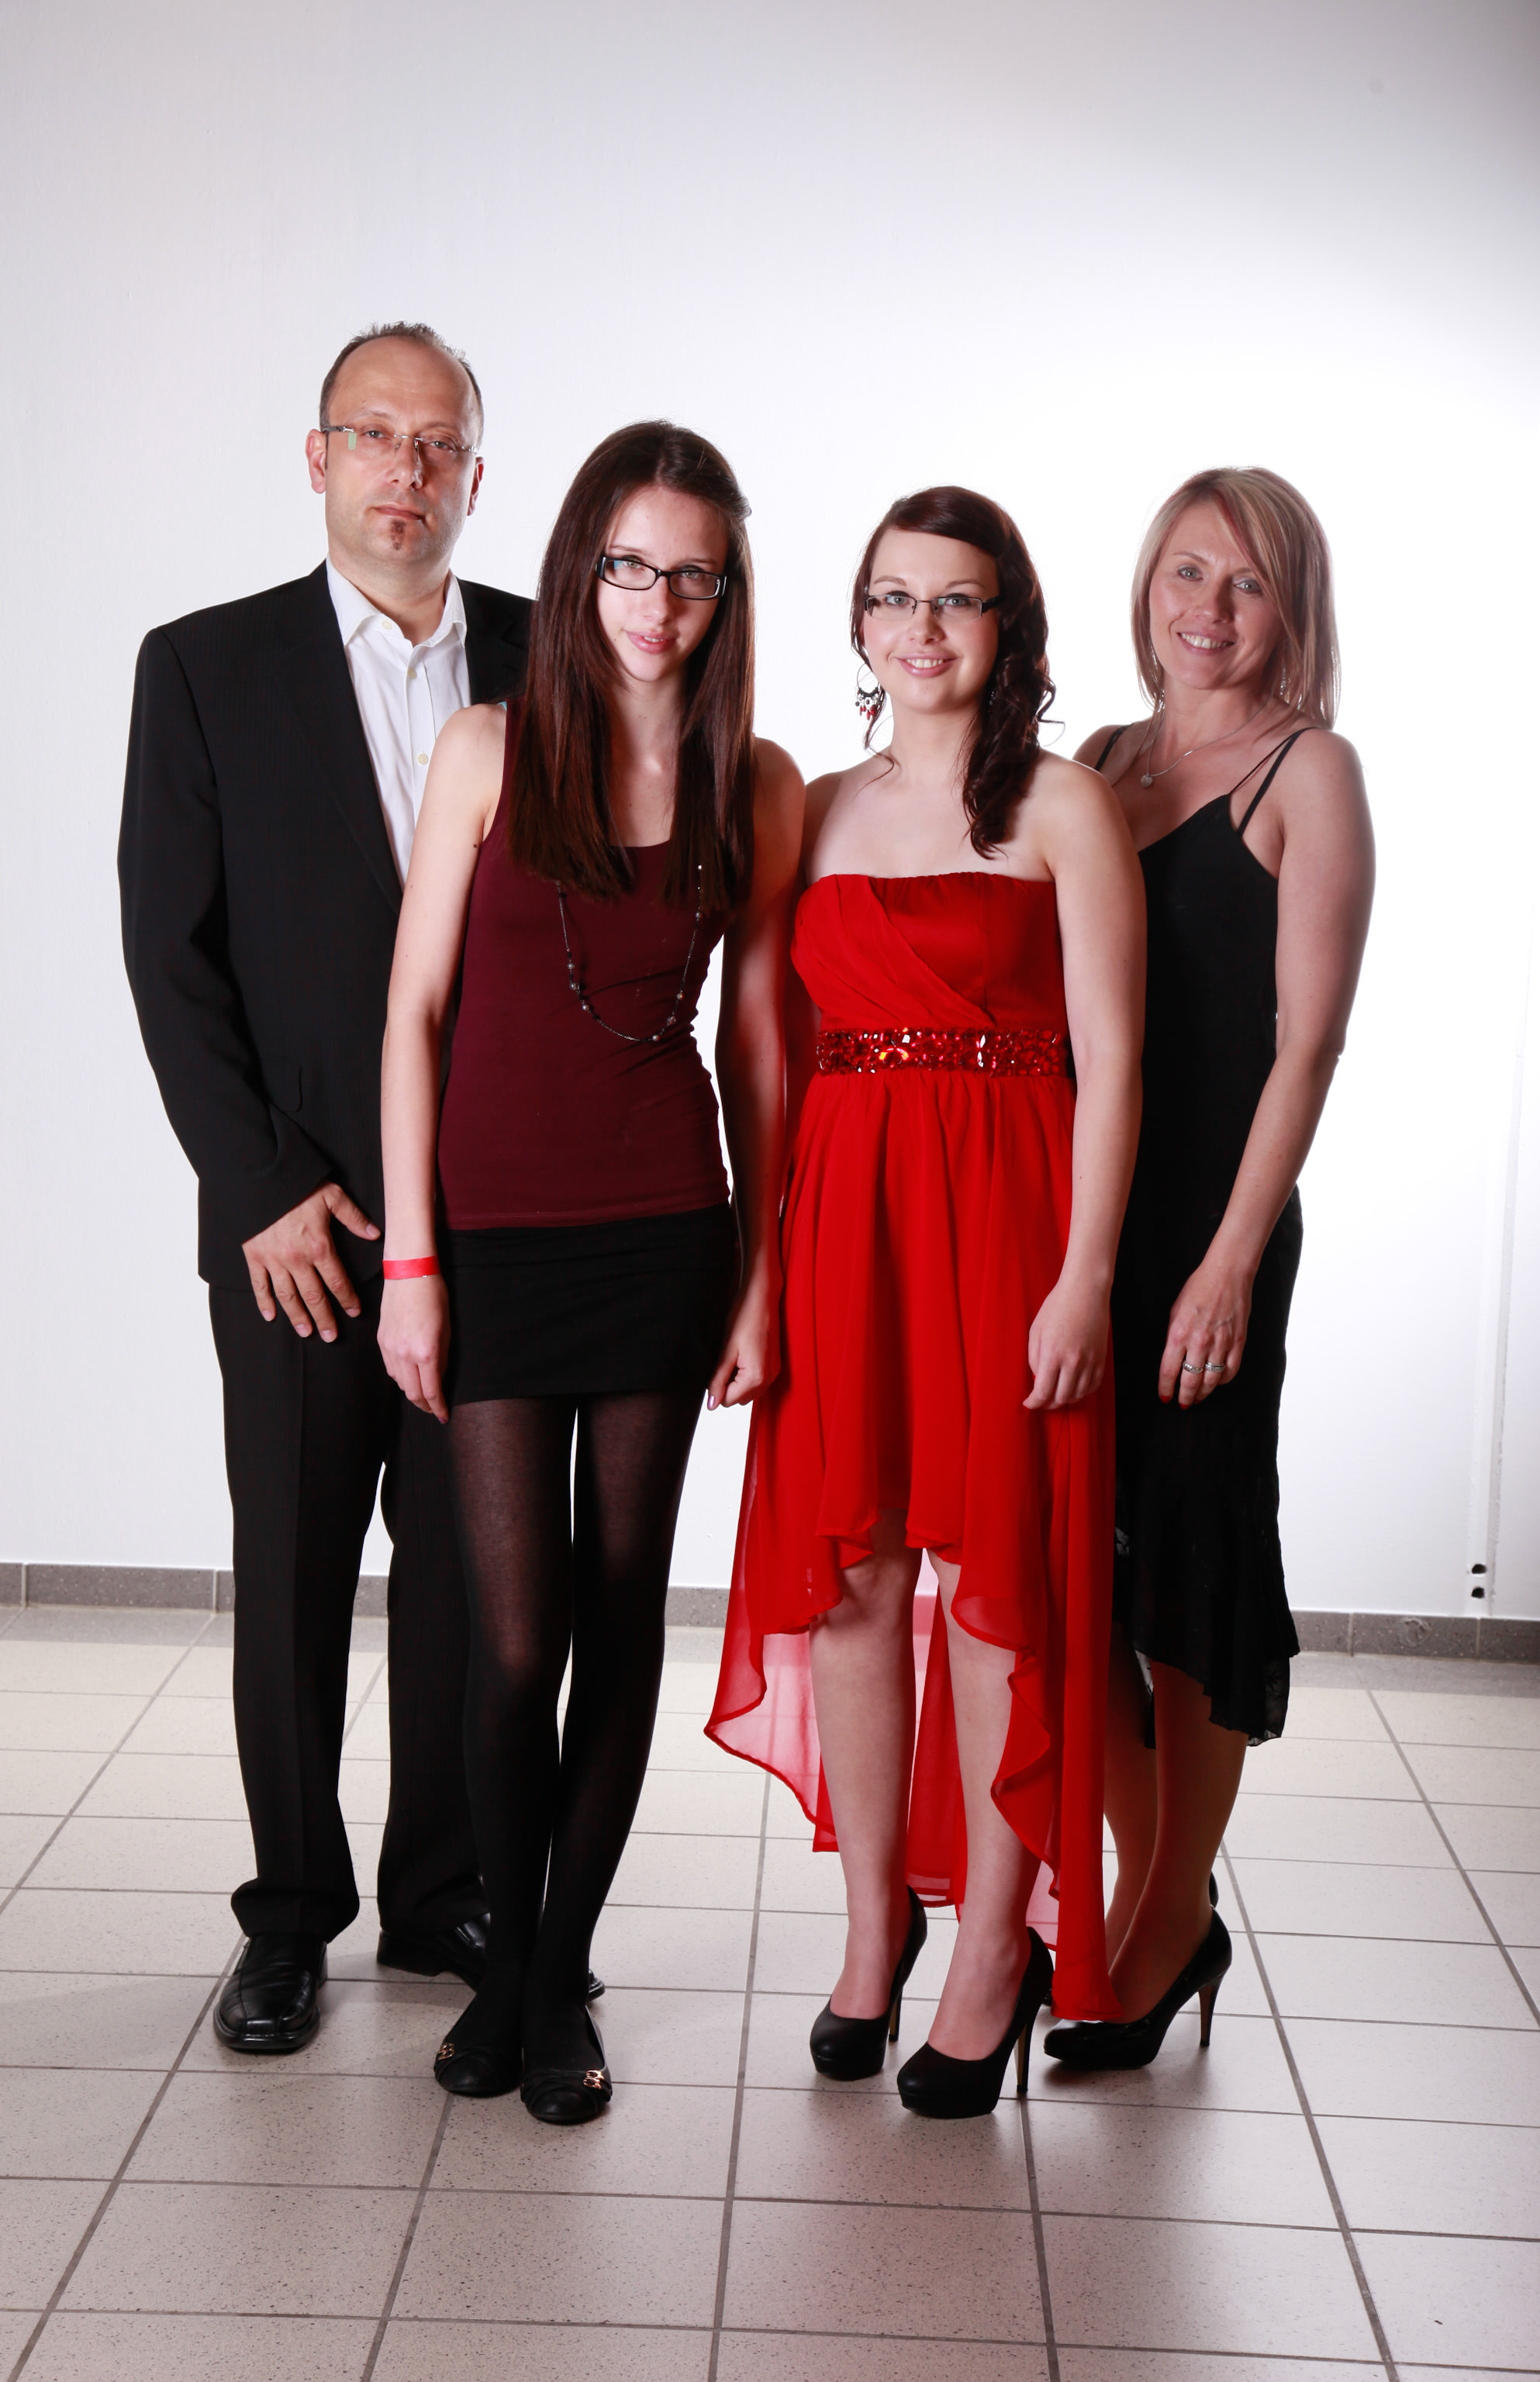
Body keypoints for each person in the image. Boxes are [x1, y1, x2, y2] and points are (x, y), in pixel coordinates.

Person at [378, 420, 802, 2124]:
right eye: (630, 564)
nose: (657, 603)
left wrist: (761, 1274)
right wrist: (412, 1262)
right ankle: (504, 1967)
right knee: (514, 1633)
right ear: (580, 569)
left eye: (693, 575)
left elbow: (760, 1049)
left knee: (623, 1615)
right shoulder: (486, 747)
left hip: (660, 1233)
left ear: (726, 595)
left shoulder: (755, 782)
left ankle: (552, 1987)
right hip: (488, 1239)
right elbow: (412, 1017)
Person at [709, 487, 1144, 2118]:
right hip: (845, 1216)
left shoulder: (1064, 806)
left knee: (993, 1586)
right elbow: (760, 1053)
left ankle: (991, 1957)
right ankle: (870, 1930)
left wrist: (1086, 1276)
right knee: (851, 1584)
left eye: (954, 599)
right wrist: (757, 1274)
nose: (920, 629)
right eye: (892, 598)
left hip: (1012, 1216)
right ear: (859, 621)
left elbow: (1115, 1062)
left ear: (1006, 623)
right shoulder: (811, 810)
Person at [119, 323, 521, 2052]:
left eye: (435, 444)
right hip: (301, 1225)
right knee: (290, 1572)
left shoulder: (549, 656)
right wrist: (259, 1183)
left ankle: (442, 1894)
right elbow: (168, 952)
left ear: (474, 476)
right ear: (318, 457)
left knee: (468, 1579)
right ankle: (290, 1913)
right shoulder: (206, 667)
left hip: (495, 1217)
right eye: (374, 434)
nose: (403, 470)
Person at [1047, 467, 1373, 2073]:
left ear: (1289, 606)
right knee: (1077, 1585)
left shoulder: (1313, 773)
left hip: (1209, 1231)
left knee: (1188, 1576)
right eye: (1186, 572)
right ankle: (1160, 1906)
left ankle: (1166, 1919)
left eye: (1245, 582)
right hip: (1080, 1227)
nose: (1209, 609)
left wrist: (1234, 1259)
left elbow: (1306, 1044)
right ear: (1146, 585)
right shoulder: (1099, 765)